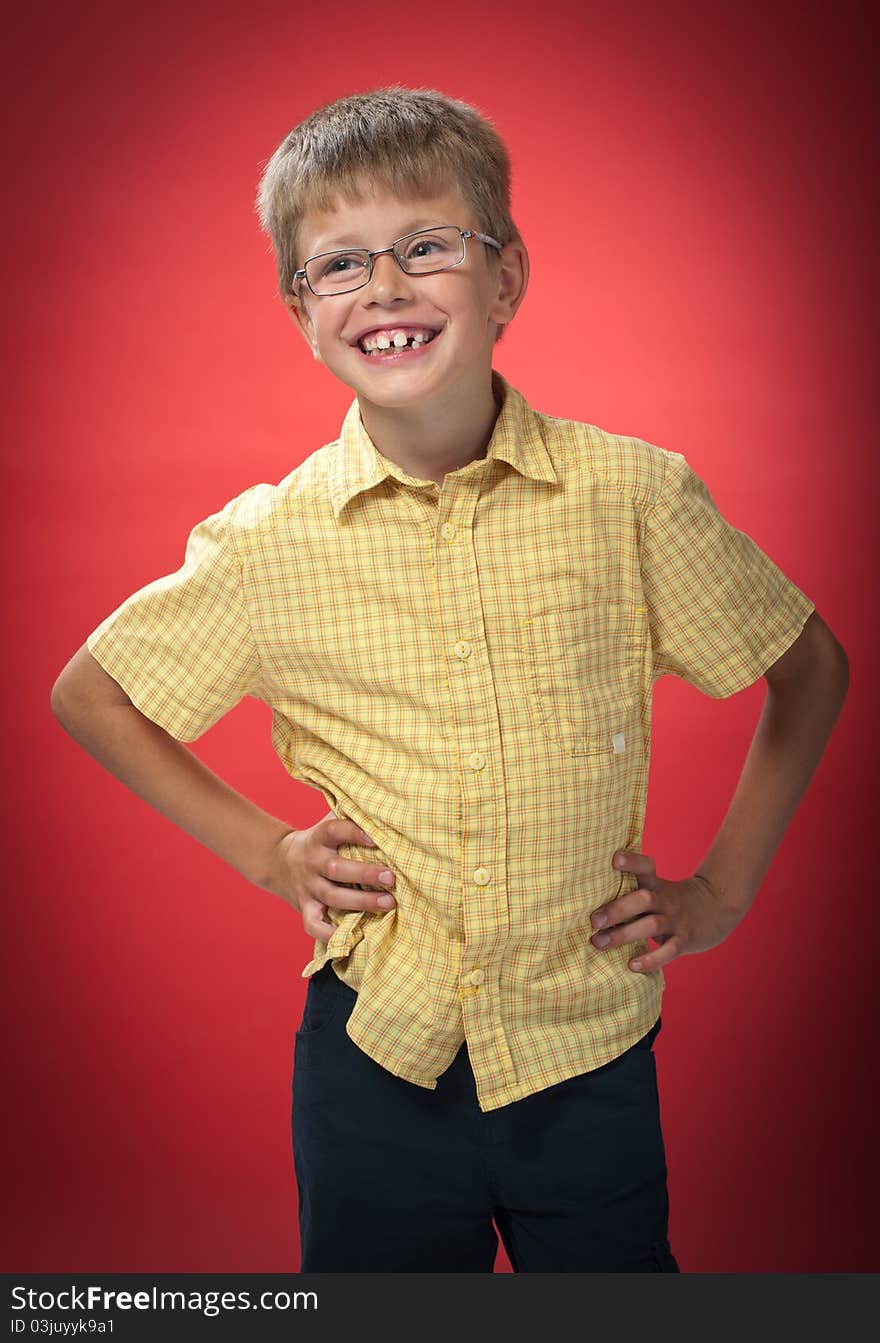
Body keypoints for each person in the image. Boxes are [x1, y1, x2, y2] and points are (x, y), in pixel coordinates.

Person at [50, 85, 848, 1273]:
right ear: (300, 309)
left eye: (427, 247)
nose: (385, 287)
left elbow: (809, 669)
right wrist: (266, 851)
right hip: (374, 1065)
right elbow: (90, 693)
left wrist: (719, 893)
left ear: (505, 277)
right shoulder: (269, 542)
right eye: (340, 264)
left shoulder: (629, 496)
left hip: (587, 1057)